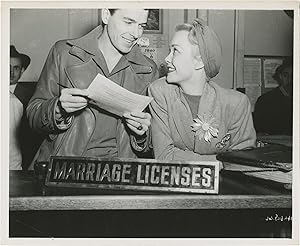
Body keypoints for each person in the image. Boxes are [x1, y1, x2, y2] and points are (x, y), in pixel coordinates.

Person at [26, 9, 158, 168]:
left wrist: (142, 132)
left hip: (119, 171)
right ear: (106, 15)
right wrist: (58, 108)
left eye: (141, 25)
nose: (136, 33)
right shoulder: (64, 53)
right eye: (128, 22)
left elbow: (152, 141)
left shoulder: (149, 69)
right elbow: (33, 116)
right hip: (64, 167)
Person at [148, 19, 256, 161]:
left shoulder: (236, 103)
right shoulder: (160, 92)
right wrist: (220, 161)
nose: (167, 59)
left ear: (199, 61)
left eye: (175, 51)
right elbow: (164, 156)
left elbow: (244, 161)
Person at [253, 59, 293, 135]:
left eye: (294, 76)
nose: (290, 80)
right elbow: (259, 129)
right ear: (280, 77)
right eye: (285, 76)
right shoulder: (265, 100)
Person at [9, 45, 31, 169]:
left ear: (22, 71)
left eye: (16, 68)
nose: (11, 72)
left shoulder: (29, 96)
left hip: (20, 160)